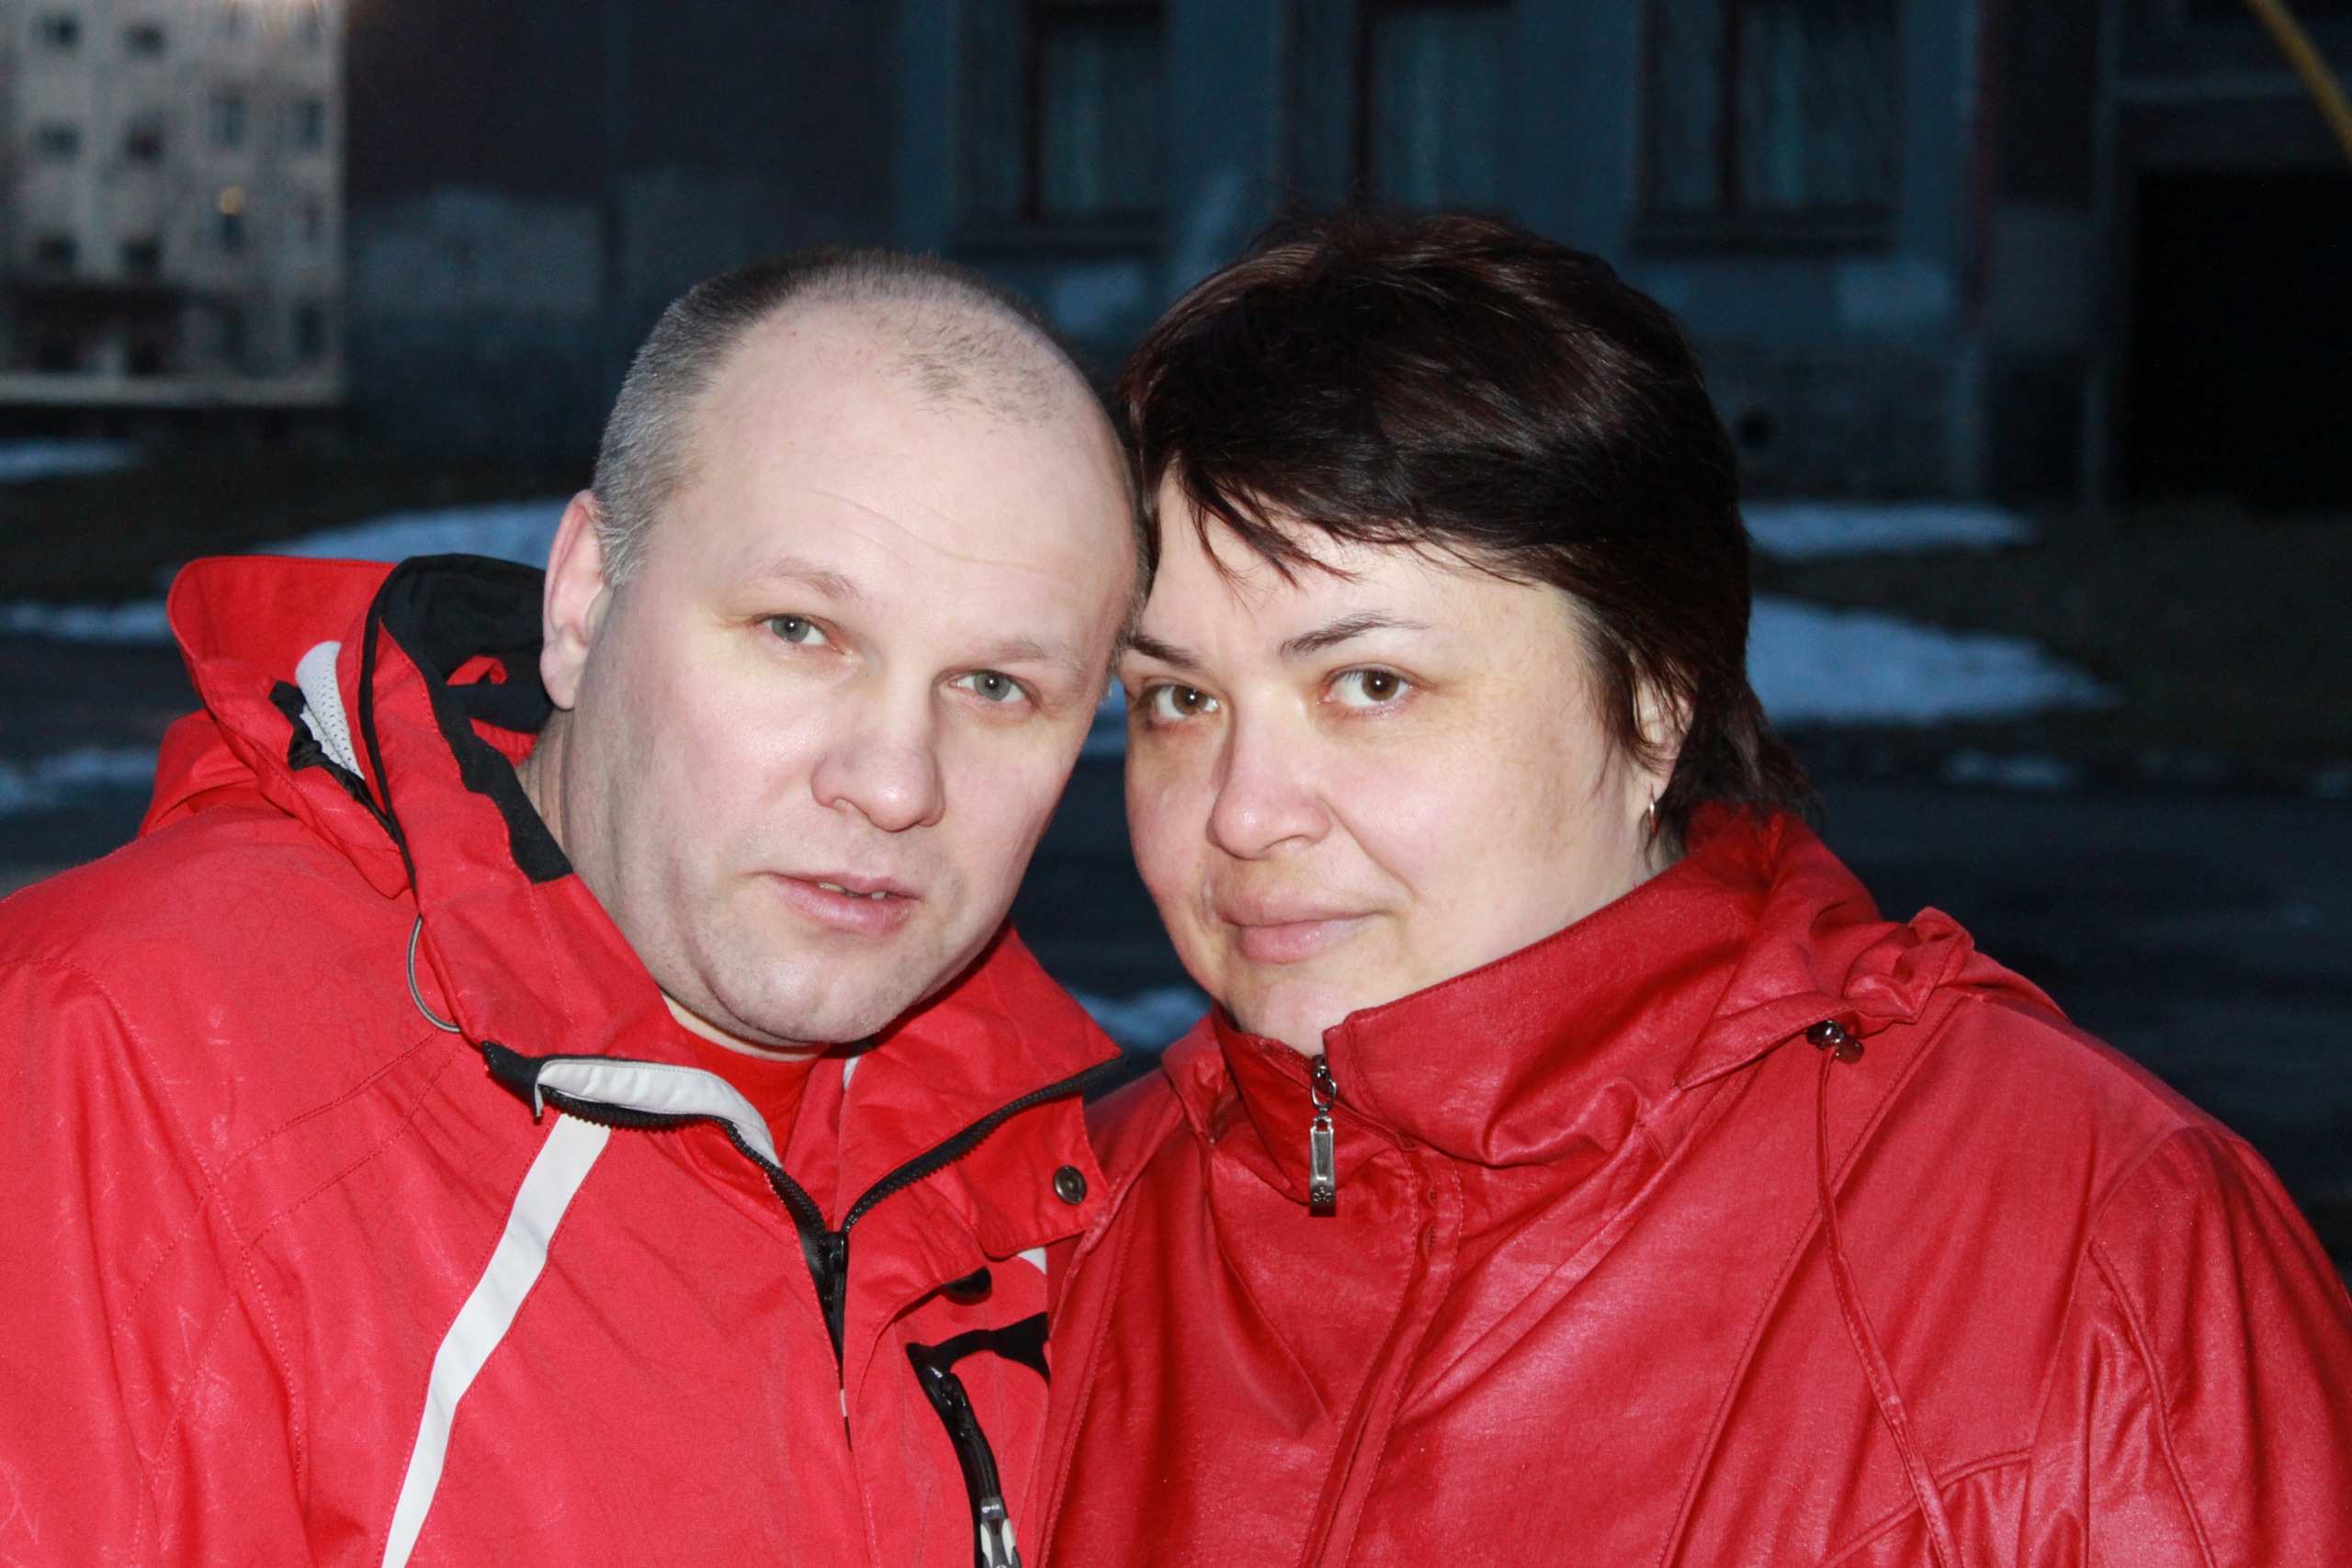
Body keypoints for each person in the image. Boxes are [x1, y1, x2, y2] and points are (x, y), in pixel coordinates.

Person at [1030, 214, 2352, 1566]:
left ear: (1654, 701)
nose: (1242, 811)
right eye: (1178, 699)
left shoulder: (2091, 1248)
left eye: (1371, 684)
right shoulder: (1052, 1243)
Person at [0, 252, 1139, 1566]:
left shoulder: (1086, 1202)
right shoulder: (128, 1058)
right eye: (798, 630)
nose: (894, 784)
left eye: (998, 687)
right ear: (586, 600)